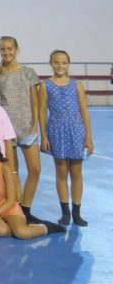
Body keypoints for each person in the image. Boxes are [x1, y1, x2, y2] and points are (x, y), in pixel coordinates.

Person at [0, 129, 64, 239]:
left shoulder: (4, 167)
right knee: (2, 231)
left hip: (7, 206)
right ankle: (10, 225)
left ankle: (45, 227)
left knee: (22, 233)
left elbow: (11, 200)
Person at [0, 36, 44, 223]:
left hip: (27, 128)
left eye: (9, 48)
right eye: (2, 49)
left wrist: (34, 125)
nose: (6, 52)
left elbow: (35, 101)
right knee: (13, 172)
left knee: (35, 169)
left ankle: (26, 207)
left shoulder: (28, 72)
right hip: (6, 129)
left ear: (16, 49)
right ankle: (18, 209)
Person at [39, 50, 93, 226]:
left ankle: (77, 211)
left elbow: (84, 111)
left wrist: (89, 137)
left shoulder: (77, 85)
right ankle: (65, 212)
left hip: (76, 129)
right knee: (61, 171)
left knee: (76, 171)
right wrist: (44, 136)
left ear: (68, 64)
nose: (60, 66)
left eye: (63, 62)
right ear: (51, 63)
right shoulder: (45, 86)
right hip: (56, 130)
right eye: (56, 62)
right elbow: (41, 112)